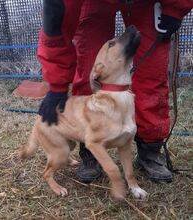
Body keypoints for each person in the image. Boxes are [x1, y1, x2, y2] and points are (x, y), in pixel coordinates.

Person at [37, 0, 193, 183]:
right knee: (89, 66)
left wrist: (175, 8)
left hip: (147, 2)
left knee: (152, 71)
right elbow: (57, 31)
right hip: (93, 2)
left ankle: (150, 149)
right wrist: (56, 86)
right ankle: (90, 147)